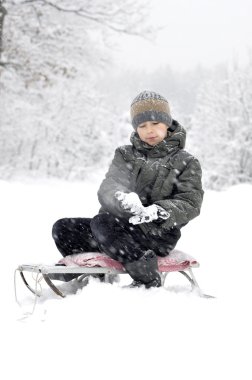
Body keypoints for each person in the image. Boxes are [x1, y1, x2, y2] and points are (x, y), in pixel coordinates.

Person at [51, 91, 204, 288]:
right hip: (114, 229)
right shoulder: (125, 154)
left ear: (167, 123)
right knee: (63, 228)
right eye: (142, 125)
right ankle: (91, 273)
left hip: (156, 235)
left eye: (156, 123)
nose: (150, 130)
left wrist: (157, 211)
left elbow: (190, 202)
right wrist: (121, 200)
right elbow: (108, 187)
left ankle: (146, 274)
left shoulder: (186, 161)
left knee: (102, 223)